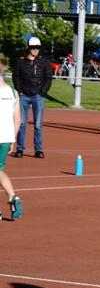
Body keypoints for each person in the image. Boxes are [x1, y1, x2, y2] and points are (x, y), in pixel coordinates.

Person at [11, 36, 53, 159]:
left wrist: (43, 92)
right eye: (33, 47)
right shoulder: (20, 60)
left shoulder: (44, 60)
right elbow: (16, 76)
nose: (35, 50)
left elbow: (48, 77)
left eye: (37, 48)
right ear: (28, 48)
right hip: (24, 95)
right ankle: (20, 148)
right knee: (22, 123)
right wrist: (19, 91)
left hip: (38, 96)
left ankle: (38, 149)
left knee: (38, 124)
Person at [0, 56, 24, 220]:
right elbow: (18, 120)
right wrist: (12, 140)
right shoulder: (13, 92)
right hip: (6, 136)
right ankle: (13, 197)